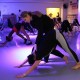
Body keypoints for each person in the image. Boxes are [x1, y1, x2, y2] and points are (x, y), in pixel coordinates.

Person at [16, 11, 80, 78]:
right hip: (49, 36)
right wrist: (21, 64)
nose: (25, 22)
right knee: (49, 51)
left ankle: (78, 63)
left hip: (55, 34)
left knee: (67, 49)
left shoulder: (36, 19)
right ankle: (64, 57)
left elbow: (40, 32)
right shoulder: (34, 51)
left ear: (27, 16)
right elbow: (29, 58)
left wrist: (24, 74)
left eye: (25, 19)